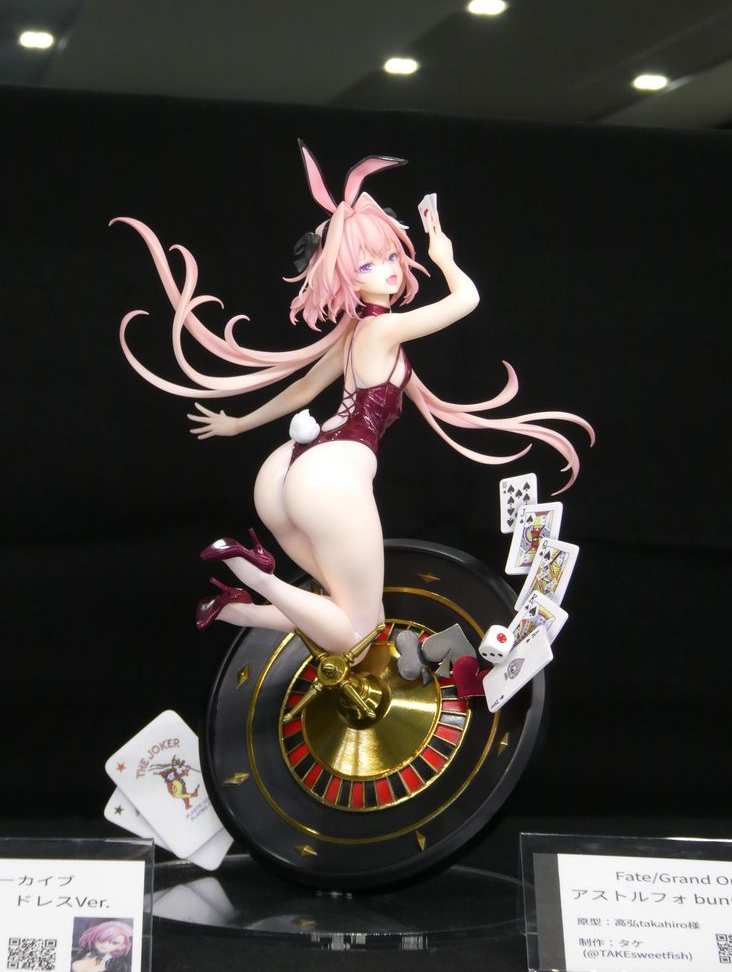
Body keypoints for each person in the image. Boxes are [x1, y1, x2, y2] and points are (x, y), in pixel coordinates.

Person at [116, 143, 593, 656]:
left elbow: (304, 389)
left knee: (345, 615)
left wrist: (238, 424)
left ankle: (235, 608)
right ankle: (252, 573)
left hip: (290, 465)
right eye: (367, 264)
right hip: (332, 474)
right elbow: (467, 299)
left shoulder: (356, 333)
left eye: (391, 257)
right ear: (343, 275)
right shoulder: (381, 330)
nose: (388, 270)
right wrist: (444, 257)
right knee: (364, 632)